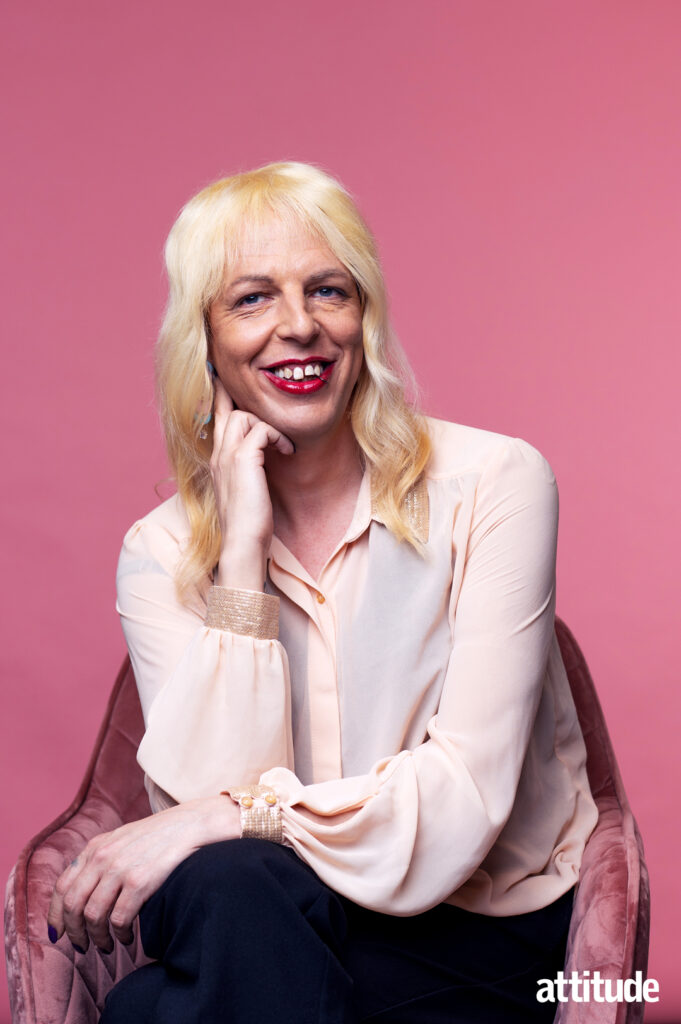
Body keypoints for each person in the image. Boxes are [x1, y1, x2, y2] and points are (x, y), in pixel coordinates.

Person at [47, 161, 598, 1023]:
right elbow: (209, 860)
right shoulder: (157, 556)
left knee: (149, 1008)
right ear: (204, 338)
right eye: (252, 299)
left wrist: (221, 815)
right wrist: (242, 554)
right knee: (229, 887)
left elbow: (463, 801)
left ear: (364, 317)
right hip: (271, 914)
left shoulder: (494, 481)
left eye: (328, 291)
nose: (298, 327)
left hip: (476, 932)